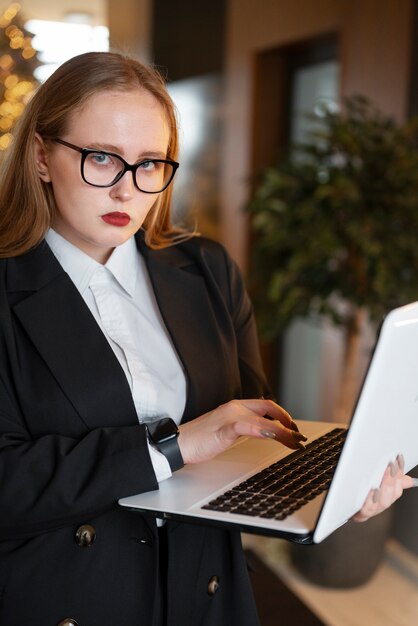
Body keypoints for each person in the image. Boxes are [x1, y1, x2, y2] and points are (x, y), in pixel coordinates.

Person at [0, 51, 412, 626]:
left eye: (150, 163)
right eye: (101, 158)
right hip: (71, 601)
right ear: (42, 156)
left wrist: (336, 495)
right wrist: (173, 446)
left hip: (207, 596)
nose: (127, 190)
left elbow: (249, 434)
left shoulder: (206, 270)